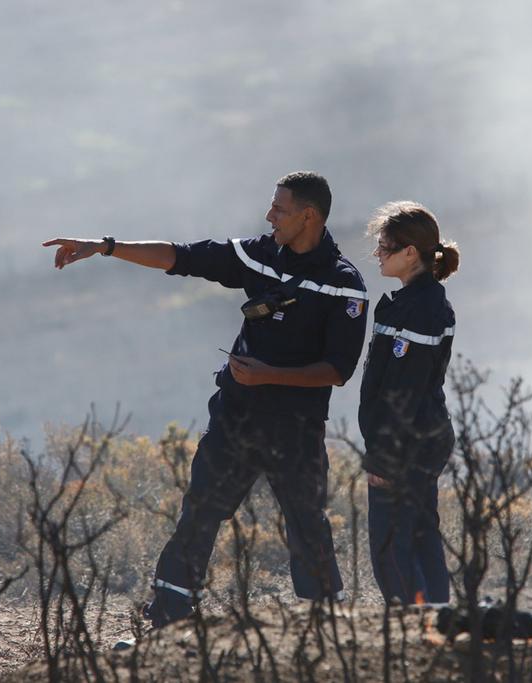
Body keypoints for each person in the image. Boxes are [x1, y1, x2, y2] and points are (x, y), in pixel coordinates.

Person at [43, 171, 368, 641]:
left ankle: (327, 630)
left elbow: (338, 369)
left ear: (308, 216)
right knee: (200, 511)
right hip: (235, 416)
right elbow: (181, 256)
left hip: (296, 428)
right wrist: (105, 246)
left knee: (306, 522)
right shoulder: (259, 255)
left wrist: (268, 375)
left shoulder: (344, 285)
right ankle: (168, 621)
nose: (269, 216)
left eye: (279, 209)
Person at [357, 200, 460, 606]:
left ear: (410, 252)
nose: (378, 254)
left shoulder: (421, 310)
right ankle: (438, 619)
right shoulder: (416, 302)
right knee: (420, 535)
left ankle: (414, 626)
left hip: (406, 444)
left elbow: (405, 390)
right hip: (422, 437)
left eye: (385, 246)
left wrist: (385, 456)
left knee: (390, 546)